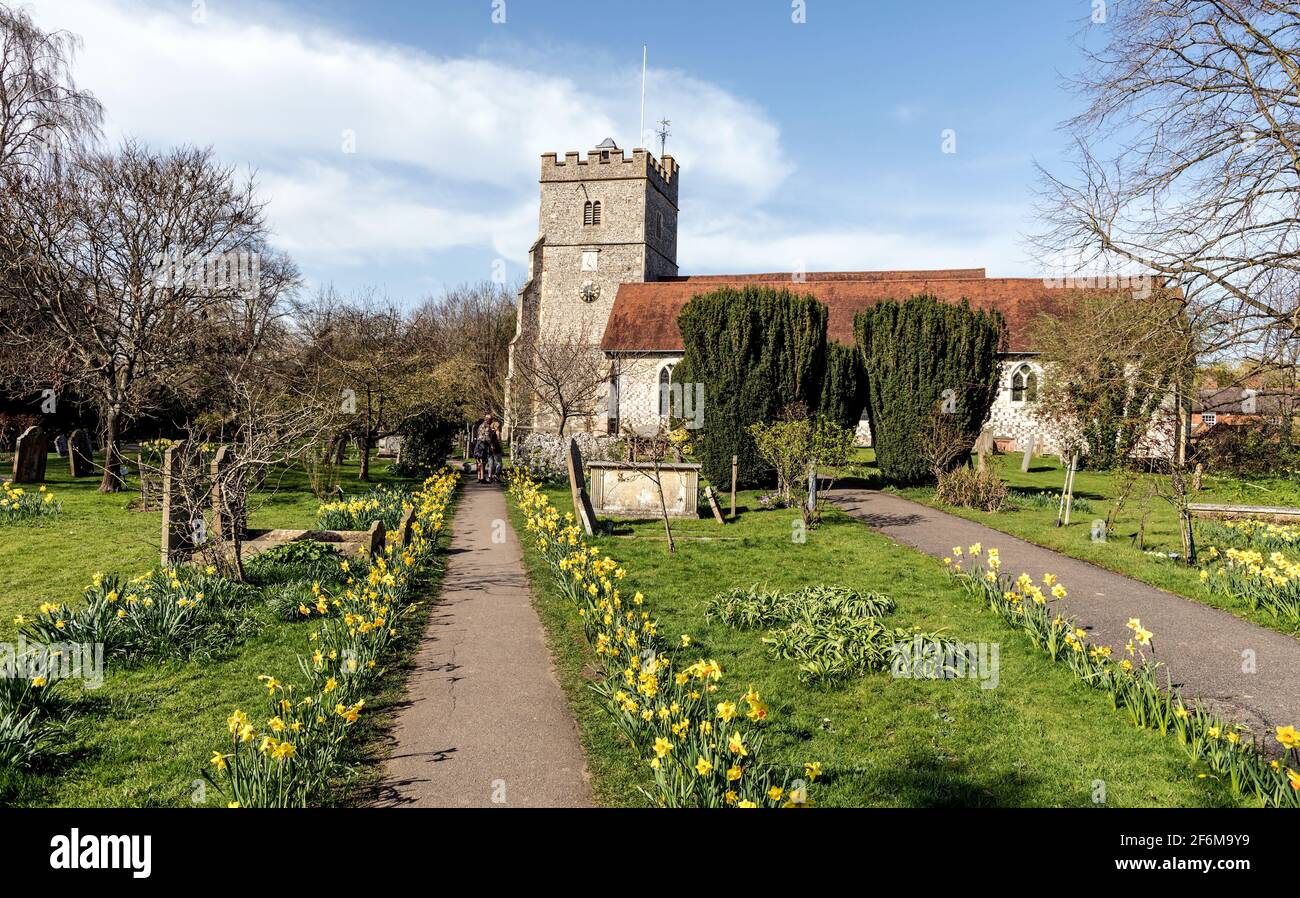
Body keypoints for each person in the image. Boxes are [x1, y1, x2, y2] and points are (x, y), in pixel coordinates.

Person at [472, 414, 495, 483]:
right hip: (483, 445)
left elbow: (478, 434)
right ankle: (482, 478)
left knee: (478, 461)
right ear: (487, 419)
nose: (491, 421)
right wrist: (491, 445)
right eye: (491, 419)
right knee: (482, 462)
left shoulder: (481, 425)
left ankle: (479, 477)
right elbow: (487, 437)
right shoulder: (487, 426)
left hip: (478, 444)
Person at [487, 418, 504, 482]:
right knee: (499, 463)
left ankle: (489, 476)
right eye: (498, 426)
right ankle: (496, 476)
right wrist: (501, 449)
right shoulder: (497, 432)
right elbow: (499, 441)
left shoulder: (489, 431)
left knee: (491, 464)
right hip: (496, 449)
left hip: (490, 449)